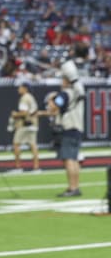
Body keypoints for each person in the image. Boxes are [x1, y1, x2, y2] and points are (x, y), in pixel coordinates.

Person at [39, 63, 85, 197]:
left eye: (63, 79)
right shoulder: (76, 92)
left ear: (67, 80)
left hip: (68, 127)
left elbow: (54, 108)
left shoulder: (64, 94)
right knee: (74, 159)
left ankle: (72, 188)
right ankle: (76, 186)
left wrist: (51, 100)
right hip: (77, 128)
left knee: (68, 159)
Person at [8, 82, 40, 173]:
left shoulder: (25, 98)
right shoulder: (31, 97)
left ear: (25, 88)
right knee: (33, 145)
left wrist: (15, 115)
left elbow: (24, 112)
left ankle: (18, 167)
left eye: (20, 87)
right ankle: (36, 167)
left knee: (16, 144)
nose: (19, 89)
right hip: (33, 123)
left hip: (25, 124)